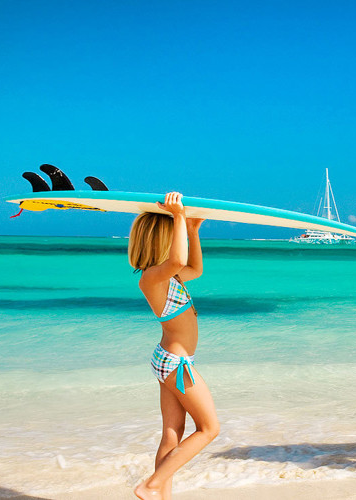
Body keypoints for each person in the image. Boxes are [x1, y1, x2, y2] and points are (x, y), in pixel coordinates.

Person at [130, 192, 220, 499]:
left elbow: (195, 269)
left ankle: (160, 496)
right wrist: (178, 215)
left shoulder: (170, 276)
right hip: (176, 363)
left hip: (170, 359)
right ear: (161, 241)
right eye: (173, 235)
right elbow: (179, 260)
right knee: (209, 428)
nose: (175, 240)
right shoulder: (152, 278)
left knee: (173, 433)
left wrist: (192, 231)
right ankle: (150, 485)